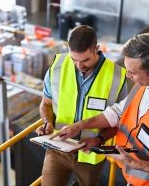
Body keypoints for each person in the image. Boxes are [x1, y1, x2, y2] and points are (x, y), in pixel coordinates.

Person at [56, 33, 149, 185]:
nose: (127, 75)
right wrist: (81, 126)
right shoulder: (148, 82)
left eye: (132, 72)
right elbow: (118, 112)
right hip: (136, 179)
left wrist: (134, 163)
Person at [36, 25, 128, 186]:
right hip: (58, 148)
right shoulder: (57, 66)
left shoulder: (117, 77)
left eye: (85, 60)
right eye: (74, 60)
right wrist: (47, 122)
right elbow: (46, 104)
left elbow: (121, 122)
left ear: (96, 49)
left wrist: (100, 139)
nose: (79, 66)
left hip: (91, 154)